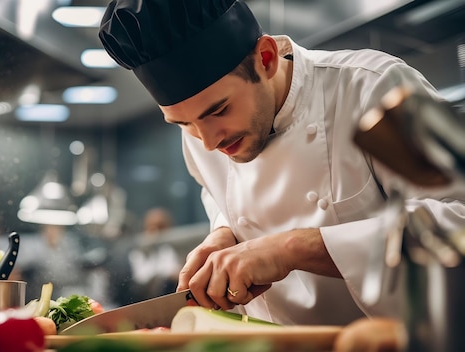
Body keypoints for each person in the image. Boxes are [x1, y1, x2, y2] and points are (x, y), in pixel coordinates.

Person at [99, 0, 465, 326]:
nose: (208, 142)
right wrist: (224, 233)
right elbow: (221, 196)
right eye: (183, 124)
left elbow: (457, 222)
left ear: (267, 58)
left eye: (219, 110)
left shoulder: (373, 88)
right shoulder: (200, 131)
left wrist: (291, 249)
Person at [127, 207, 182, 301]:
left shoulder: (174, 248)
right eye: (152, 227)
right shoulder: (139, 252)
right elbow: (142, 278)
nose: (156, 231)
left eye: (161, 227)